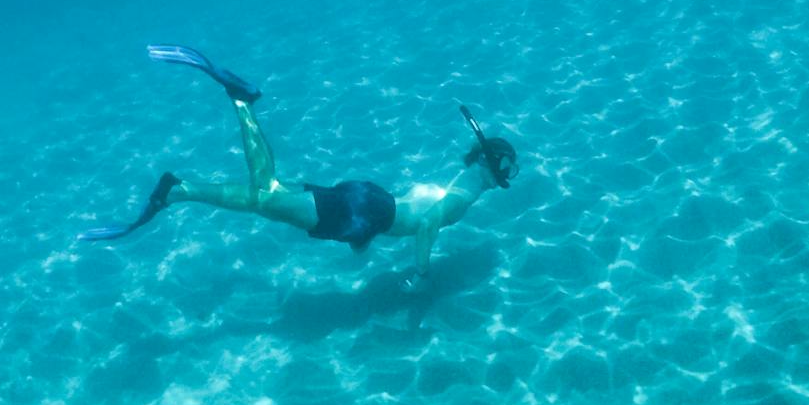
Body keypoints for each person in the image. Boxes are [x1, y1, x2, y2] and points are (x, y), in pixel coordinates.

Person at [77, 45, 518, 279]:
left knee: (261, 200)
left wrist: (361, 239)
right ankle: (241, 100)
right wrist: (423, 274)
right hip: (367, 211)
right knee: (267, 195)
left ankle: (178, 190)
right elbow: (424, 225)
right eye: (508, 168)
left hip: (369, 203)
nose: (509, 176)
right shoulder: (465, 197)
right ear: (493, 166)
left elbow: (411, 210)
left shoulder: (462, 178)